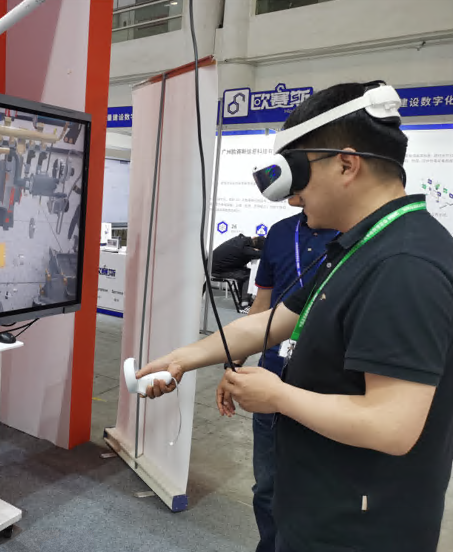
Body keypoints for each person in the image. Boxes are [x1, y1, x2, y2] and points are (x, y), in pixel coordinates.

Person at [135, 81, 453, 552]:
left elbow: (392, 424)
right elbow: (268, 322)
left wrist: (278, 396)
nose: (293, 200)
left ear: (346, 164)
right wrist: (183, 358)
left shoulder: (404, 265)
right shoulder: (358, 247)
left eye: (299, 176)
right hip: (318, 501)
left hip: (360, 529)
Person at [234, 212, 337, 552]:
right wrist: (236, 361)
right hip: (272, 374)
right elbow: (263, 304)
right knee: (267, 485)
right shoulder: (281, 232)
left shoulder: (356, 233)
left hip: (327, 387)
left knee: (320, 490)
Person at [210, 234, 265, 308]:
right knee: (248, 275)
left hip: (213, 266)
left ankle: (243, 299)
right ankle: (245, 304)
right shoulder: (246, 249)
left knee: (243, 273)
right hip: (217, 270)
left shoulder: (240, 240)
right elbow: (262, 254)